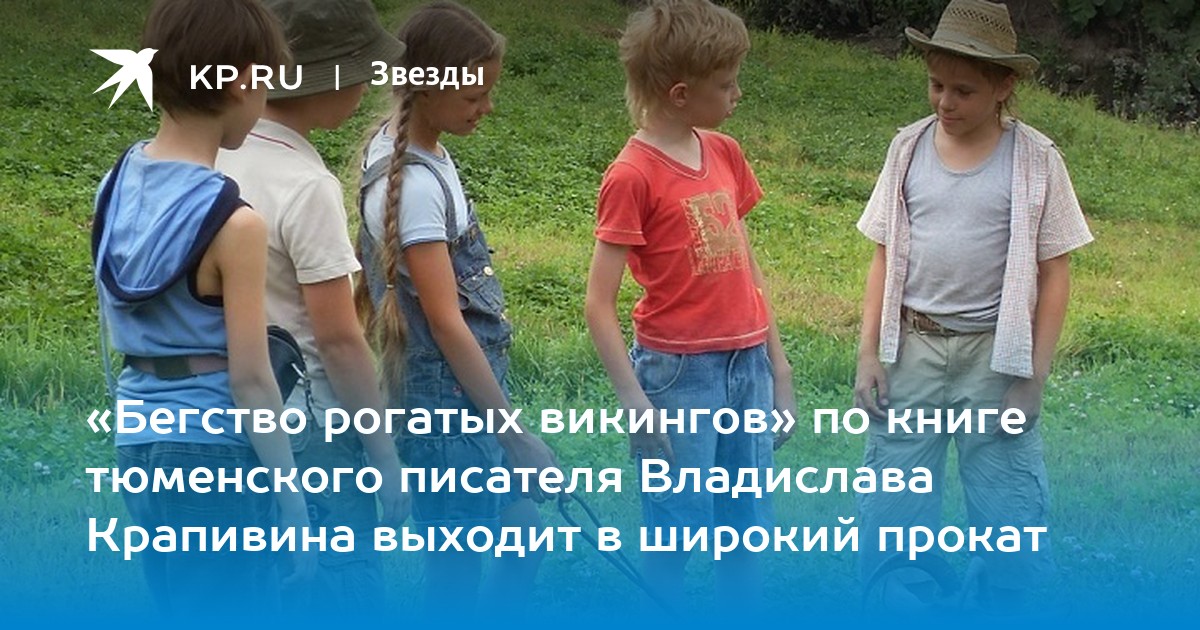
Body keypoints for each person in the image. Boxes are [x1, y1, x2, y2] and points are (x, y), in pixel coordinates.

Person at [852, 0, 1093, 609]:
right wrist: (869, 355)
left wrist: (1032, 380)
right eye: (936, 85)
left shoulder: (1036, 159)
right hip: (911, 350)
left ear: (1003, 86)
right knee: (892, 505)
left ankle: (1004, 604)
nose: (945, 102)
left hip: (994, 359)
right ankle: (904, 601)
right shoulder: (907, 149)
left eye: (963, 91)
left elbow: (1055, 272)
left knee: (1008, 505)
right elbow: (883, 255)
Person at [91, 0, 313, 615]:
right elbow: (251, 379)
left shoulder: (115, 183)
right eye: (265, 82)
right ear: (239, 80)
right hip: (213, 451)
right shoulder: (234, 223)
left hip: (137, 438)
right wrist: (294, 503)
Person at [584, 0, 797, 608]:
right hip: (679, 377)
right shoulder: (631, 175)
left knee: (746, 530)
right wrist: (637, 405)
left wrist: (778, 368)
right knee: (673, 533)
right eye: (726, 85)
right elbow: (598, 305)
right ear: (681, 94)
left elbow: (746, 264)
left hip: (747, 365)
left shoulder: (724, 152)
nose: (737, 94)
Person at [355, 1, 557, 613]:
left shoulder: (422, 153)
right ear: (427, 86)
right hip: (446, 406)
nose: (486, 106)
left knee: (525, 532)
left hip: (467, 394)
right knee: (456, 575)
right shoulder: (412, 187)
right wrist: (515, 436)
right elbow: (446, 323)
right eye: (474, 94)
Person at [214, 0, 408, 613]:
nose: (368, 86)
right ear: (331, 79)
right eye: (363, 71)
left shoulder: (216, 155)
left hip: (230, 412)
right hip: (312, 426)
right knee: (342, 594)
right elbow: (339, 339)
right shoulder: (306, 184)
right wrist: (383, 453)